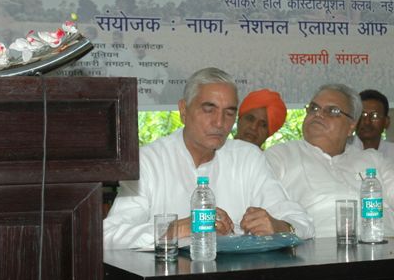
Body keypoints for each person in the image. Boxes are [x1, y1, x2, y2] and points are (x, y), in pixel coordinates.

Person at [104, 68, 312, 248]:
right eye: (209, 110)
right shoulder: (149, 161)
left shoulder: (247, 157)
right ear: (184, 111)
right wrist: (177, 229)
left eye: (229, 113)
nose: (219, 122)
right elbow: (109, 236)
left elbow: (302, 223)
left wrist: (280, 227)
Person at [265, 83, 394, 235]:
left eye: (332, 111)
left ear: (352, 125)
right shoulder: (280, 156)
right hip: (322, 258)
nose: (318, 115)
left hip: (390, 253)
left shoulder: (371, 159)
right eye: (314, 108)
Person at [350, 89, 394, 178]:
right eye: (362, 115)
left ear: (386, 122)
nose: (367, 122)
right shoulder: (344, 151)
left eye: (375, 116)